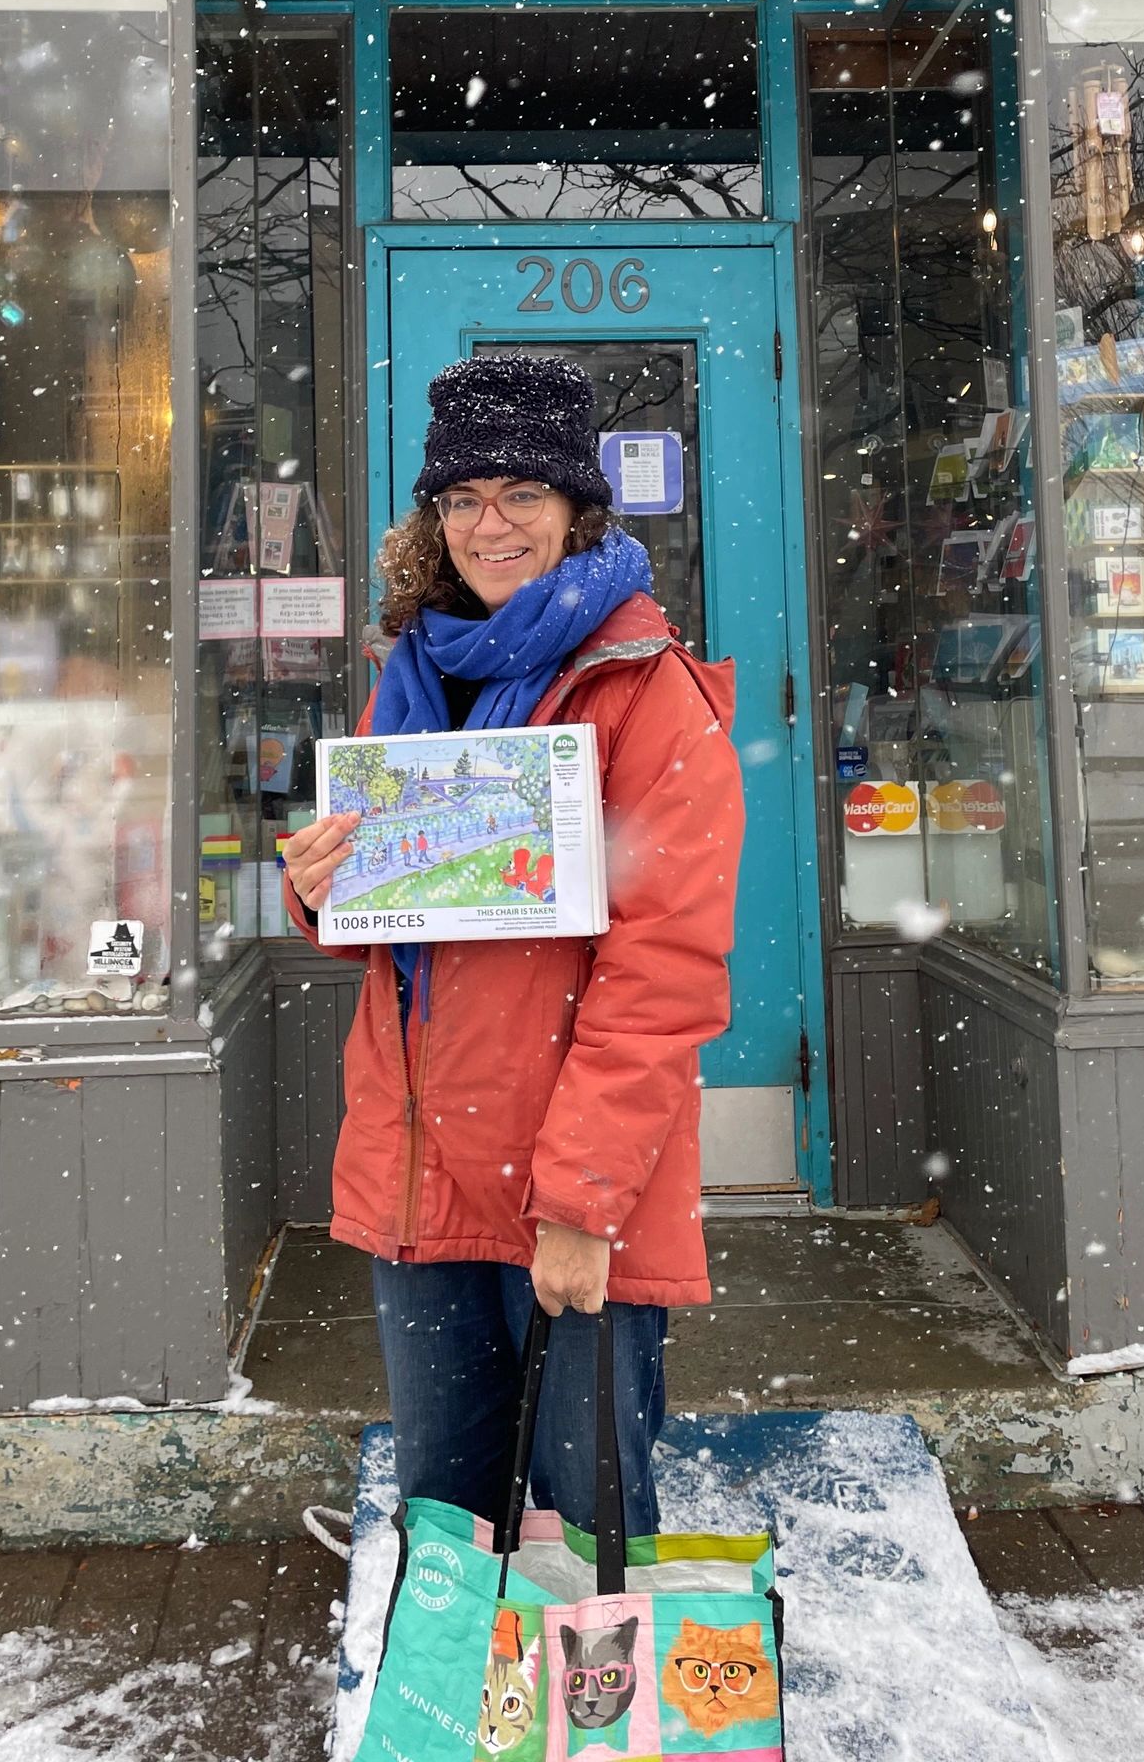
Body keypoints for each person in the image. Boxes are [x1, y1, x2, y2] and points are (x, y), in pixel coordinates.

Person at [280, 354, 743, 1538]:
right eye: (463, 498)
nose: (492, 525)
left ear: (576, 510)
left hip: (563, 1189)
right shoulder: (415, 670)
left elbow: (666, 973)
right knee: (449, 1533)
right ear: (433, 520)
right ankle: (459, 1719)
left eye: (523, 495)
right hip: (418, 1176)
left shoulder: (646, 692)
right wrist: (323, 890)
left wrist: (584, 1203)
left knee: (585, 1549)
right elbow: (401, 926)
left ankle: (579, 1730)